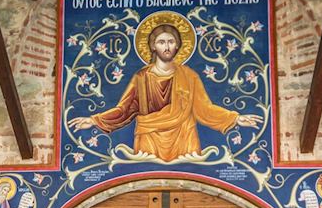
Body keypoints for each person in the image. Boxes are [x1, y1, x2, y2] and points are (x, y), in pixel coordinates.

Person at [68, 22, 262, 162]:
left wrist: (235, 118)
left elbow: (204, 107)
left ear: (177, 45)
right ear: (153, 46)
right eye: (161, 42)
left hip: (183, 137)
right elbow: (125, 108)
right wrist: (95, 120)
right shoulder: (141, 77)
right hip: (149, 137)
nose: (167, 46)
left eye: (171, 41)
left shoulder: (189, 76)